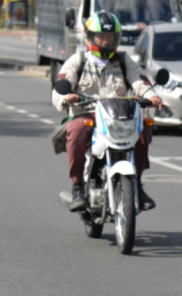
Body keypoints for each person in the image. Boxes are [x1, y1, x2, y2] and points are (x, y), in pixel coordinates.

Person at [52, 11, 163, 211]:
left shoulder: (122, 60)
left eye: (110, 37)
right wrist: (66, 97)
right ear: (91, 37)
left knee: (143, 127)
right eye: (101, 37)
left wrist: (151, 95)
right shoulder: (78, 61)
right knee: (76, 131)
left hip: (118, 115)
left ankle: (137, 183)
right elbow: (62, 83)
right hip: (87, 114)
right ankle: (77, 185)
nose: (105, 41)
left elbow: (139, 80)